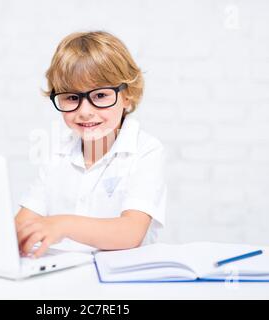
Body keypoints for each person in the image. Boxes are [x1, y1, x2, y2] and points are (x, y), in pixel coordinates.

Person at [16, 31, 167, 258]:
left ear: (127, 96)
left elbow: (131, 232)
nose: (85, 111)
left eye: (100, 96)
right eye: (72, 98)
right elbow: (24, 222)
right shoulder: (57, 152)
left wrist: (62, 225)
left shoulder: (146, 150)